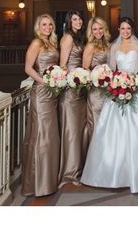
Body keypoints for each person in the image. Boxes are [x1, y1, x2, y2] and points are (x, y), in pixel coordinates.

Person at [80, 17, 138, 193]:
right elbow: (112, 69)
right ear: (118, 29)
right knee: (112, 133)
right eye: (123, 28)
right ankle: (111, 173)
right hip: (117, 89)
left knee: (137, 131)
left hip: (134, 90)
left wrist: (132, 84)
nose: (125, 32)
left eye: (128, 29)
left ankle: (137, 174)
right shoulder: (114, 46)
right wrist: (117, 83)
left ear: (132, 30)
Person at [21, 14, 60, 197]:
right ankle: (35, 184)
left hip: (52, 93)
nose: (48, 27)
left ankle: (48, 181)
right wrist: (44, 82)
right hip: (41, 93)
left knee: (50, 136)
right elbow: (28, 68)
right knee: (40, 135)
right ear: (38, 26)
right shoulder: (36, 43)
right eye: (44, 25)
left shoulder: (52, 43)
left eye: (50, 24)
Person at [57, 10, 88, 186]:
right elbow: (63, 65)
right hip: (70, 91)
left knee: (79, 130)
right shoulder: (68, 38)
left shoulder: (79, 37)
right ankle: (69, 173)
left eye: (80, 18)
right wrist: (73, 79)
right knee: (71, 131)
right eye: (74, 19)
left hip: (80, 89)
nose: (78, 21)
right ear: (69, 22)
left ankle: (78, 168)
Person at [82, 17, 110, 148]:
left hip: (108, 90)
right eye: (94, 29)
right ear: (91, 31)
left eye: (100, 28)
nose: (98, 31)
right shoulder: (90, 46)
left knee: (107, 122)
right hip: (96, 92)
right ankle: (96, 151)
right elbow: (85, 69)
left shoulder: (107, 44)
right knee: (97, 121)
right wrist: (97, 78)